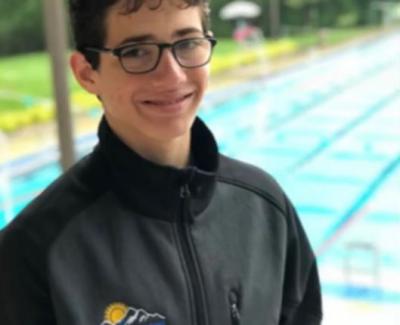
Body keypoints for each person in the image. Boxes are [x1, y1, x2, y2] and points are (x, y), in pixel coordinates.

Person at [0, 0, 323, 324]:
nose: (173, 74)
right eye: (137, 51)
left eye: (188, 43)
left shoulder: (265, 207)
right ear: (87, 73)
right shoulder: (34, 252)